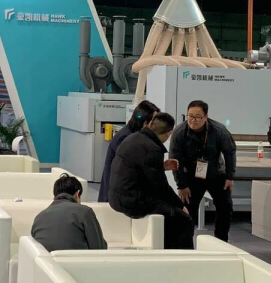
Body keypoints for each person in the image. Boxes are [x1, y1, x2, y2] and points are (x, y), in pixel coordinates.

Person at [109, 112, 194, 249]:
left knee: (172, 212)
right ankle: (180, 257)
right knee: (184, 220)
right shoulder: (152, 149)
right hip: (133, 201)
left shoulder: (133, 138)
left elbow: (136, 169)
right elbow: (161, 186)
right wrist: (180, 205)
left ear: (149, 124)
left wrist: (161, 166)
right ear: (169, 134)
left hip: (117, 196)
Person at [169, 100, 236, 241]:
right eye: (190, 116)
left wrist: (230, 177)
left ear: (206, 117)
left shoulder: (218, 130)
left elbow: (229, 152)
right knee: (187, 210)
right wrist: (181, 185)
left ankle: (221, 241)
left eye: (198, 117)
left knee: (225, 206)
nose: (193, 120)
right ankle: (185, 244)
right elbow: (175, 161)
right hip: (191, 176)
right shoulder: (179, 133)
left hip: (215, 173)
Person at [98, 100, 159, 202]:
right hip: (117, 193)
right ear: (145, 122)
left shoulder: (137, 135)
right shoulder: (125, 138)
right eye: (153, 121)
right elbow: (133, 166)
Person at [31, 174, 107, 252]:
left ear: (54, 197)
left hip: (45, 259)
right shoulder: (84, 212)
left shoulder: (39, 217)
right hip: (76, 259)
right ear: (77, 194)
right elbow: (99, 248)